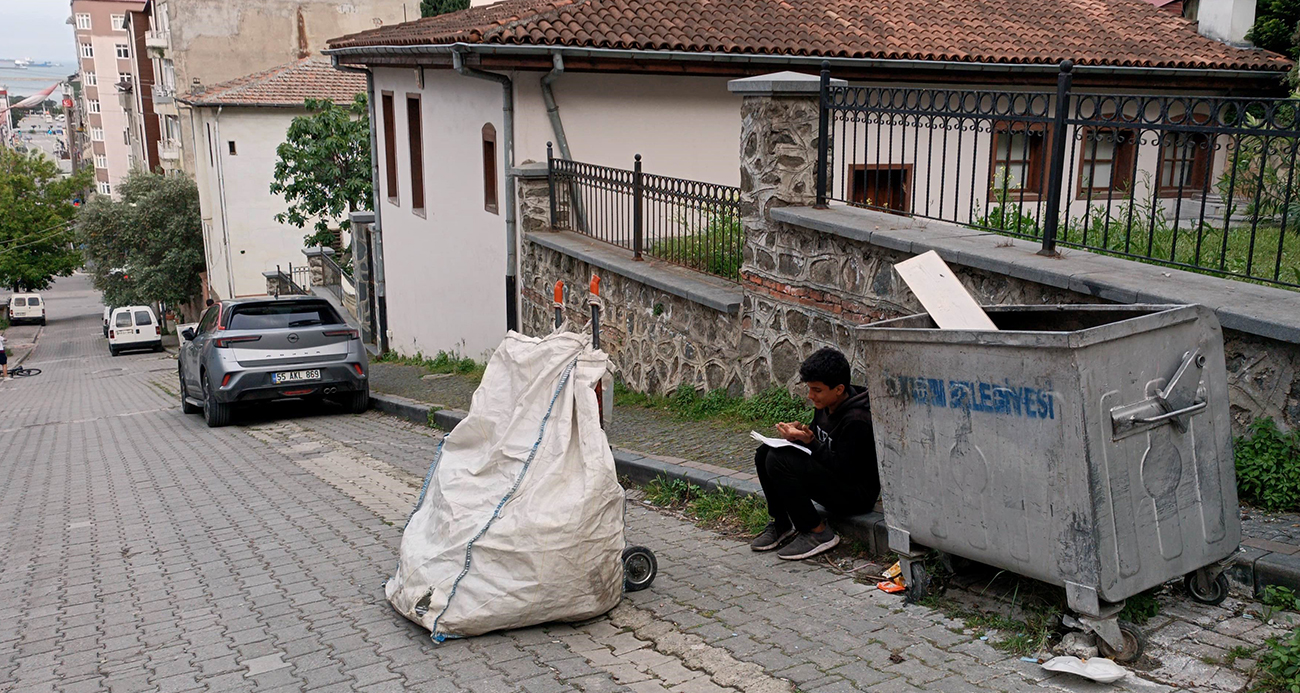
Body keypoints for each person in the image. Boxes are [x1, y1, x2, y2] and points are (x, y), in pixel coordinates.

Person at [750, 347, 880, 560]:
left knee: (778, 460)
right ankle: (782, 523)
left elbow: (845, 469)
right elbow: (817, 439)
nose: (811, 396)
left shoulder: (857, 419)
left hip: (855, 495)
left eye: (817, 390)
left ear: (838, 389)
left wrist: (810, 442)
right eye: (810, 389)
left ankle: (817, 532)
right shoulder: (826, 403)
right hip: (832, 476)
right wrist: (799, 435)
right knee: (765, 452)